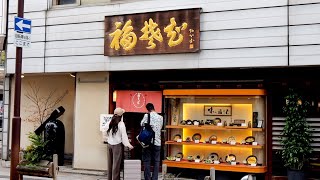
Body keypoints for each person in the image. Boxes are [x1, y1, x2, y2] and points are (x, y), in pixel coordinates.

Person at [105, 107, 134, 180]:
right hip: (117, 146)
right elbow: (124, 137)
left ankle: (109, 178)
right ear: (121, 116)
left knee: (110, 165)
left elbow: (104, 132)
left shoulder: (109, 122)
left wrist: (107, 138)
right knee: (116, 165)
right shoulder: (121, 124)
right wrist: (128, 145)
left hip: (109, 145)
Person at [140, 103, 163, 180]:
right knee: (156, 161)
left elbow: (141, 124)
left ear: (147, 109)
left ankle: (147, 178)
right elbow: (160, 127)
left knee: (147, 160)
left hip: (148, 142)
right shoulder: (160, 117)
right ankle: (155, 178)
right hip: (157, 142)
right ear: (154, 108)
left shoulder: (146, 116)